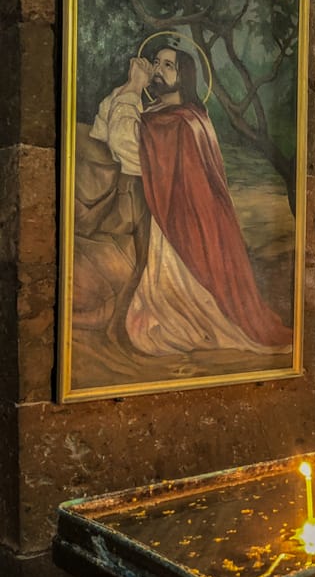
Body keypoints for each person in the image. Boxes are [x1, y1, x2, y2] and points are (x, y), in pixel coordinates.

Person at [88, 43, 292, 355]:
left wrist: (132, 88)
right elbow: (104, 129)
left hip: (182, 224)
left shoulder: (182, 121)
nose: (157, 70)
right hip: (171, 213)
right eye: (156, 62)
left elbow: (126, 144)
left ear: (184, 75)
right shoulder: (162, 114)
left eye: (167, 65)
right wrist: (131, 87)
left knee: (168, 315)